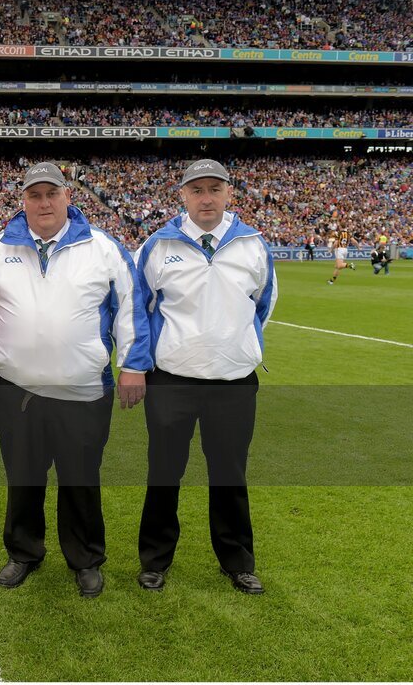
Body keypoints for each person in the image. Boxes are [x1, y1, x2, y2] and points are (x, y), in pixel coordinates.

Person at [0, 162, 152, 597]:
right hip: (18, 388)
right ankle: (23, 553)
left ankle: (85, 558)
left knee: (80, 477)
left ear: (68, 196)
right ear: (24, 201)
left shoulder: (102, 248)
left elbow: (131, 308)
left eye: (52, 193)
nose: (44, 202)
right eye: (35, 195)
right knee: (23, 476)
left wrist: (133, 365)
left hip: (84, 389)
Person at [134, 159, 277, 595]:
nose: (207, 198)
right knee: (164, 473)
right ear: (183, 195)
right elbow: (138, 309)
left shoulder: (252, 243)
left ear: (229, 192)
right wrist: (143, 364)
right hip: (172, 379)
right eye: (197, 190)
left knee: (230, 474)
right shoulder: (158, 245)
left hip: (233, 381)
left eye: (215, 188)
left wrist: (236, 345)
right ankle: (155, 560)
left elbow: (264, 302)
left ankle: (237, 561)